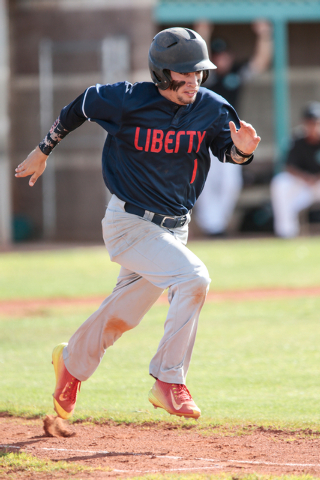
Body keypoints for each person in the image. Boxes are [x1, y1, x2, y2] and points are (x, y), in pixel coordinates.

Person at [15, 27, 260, 420]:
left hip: (174, 228)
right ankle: (169, 380)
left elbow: (225, 151)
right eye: (184, 74)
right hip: (129, 223)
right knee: (194, 278)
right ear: (162, 75)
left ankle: (71, 364)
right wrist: (44, 150)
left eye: (199, 73)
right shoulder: (126, 100)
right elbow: (82, 105)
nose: (193, 81)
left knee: (123, 315)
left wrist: (242, 152)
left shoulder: (212, 107)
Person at [194, 20, 272, 236]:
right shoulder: (206, 77)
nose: (221, 59)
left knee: (231, 183)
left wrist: (264, 35)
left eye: (224, 55)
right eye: (216, 56)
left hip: (231, 138)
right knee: (206, 184)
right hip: (206, 138)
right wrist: (202, 32)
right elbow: (198, 62)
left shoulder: (236, 74)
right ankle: (213, 228)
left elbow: (260, 62)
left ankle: (218, 225)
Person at [271, 102, 320, 238]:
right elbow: (288, 166)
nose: (313, 127)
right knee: (280, 183)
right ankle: (286, 233)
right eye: (310, 123)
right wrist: (306, 177)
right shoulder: (297, 140)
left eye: (316, 123)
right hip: (303, 185)